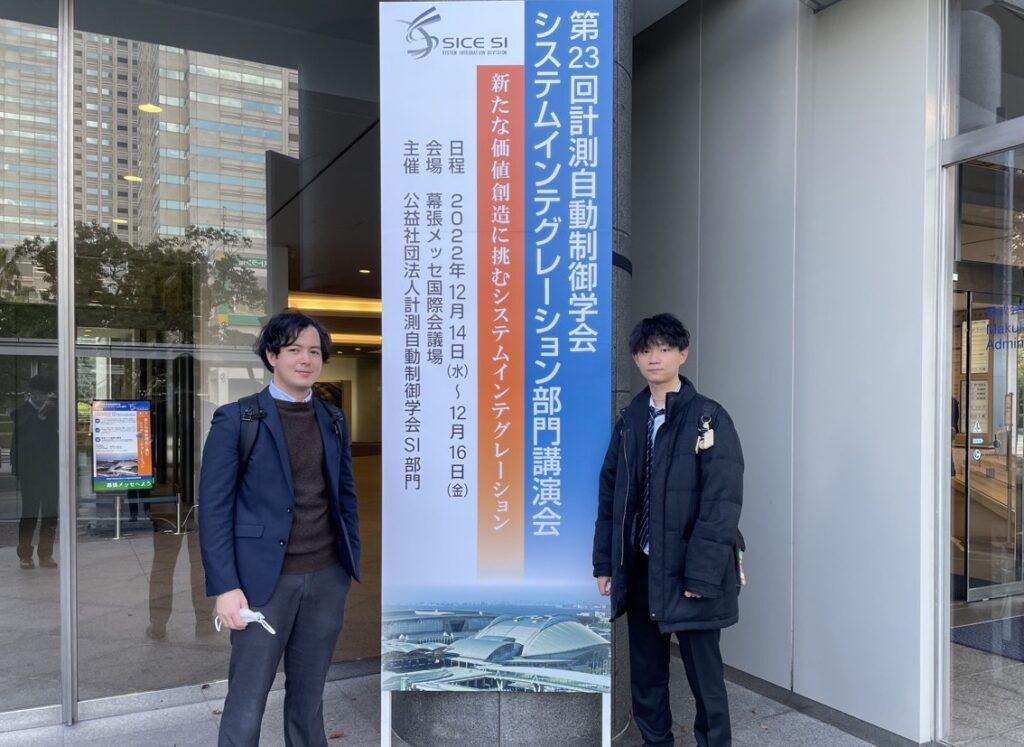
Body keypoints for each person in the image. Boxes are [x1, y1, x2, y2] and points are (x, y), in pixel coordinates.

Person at [199, 310, 361, 747]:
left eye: (314, 351)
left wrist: (347, 564)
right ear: (272, 356)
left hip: (326, 577)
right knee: (247, 700)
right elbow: (214, 510)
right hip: (262, 584)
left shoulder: (332, 419)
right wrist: (225, 587)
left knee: (309, 698)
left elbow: (344, 495)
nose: (306, 359)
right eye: (294, 350)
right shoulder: (237, 419)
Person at [592, 313, 744, 747]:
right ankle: (656, 742)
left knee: (705, 679)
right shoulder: (630, 420)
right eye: (645, 350)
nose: (654, 358)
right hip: (641, 570)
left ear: (682, 353)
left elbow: (721, 504)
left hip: (690, 572)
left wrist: (702, 575)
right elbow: (611, 495)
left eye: (664, 349)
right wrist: (606, 562)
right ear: (635, 358)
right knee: (647, 674)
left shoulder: (708, 418)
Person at [13, 374, 59, 570]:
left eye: (48, 393)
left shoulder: (54, 413)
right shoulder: (21, 413)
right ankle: (25, 554)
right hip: (30, 473)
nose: (45, 396)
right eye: (42, 393)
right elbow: (20, 443)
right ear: (33, 393)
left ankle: (46, 554)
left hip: (51, 472)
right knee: (29, 514)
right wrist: (40, 415)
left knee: (50, 514)